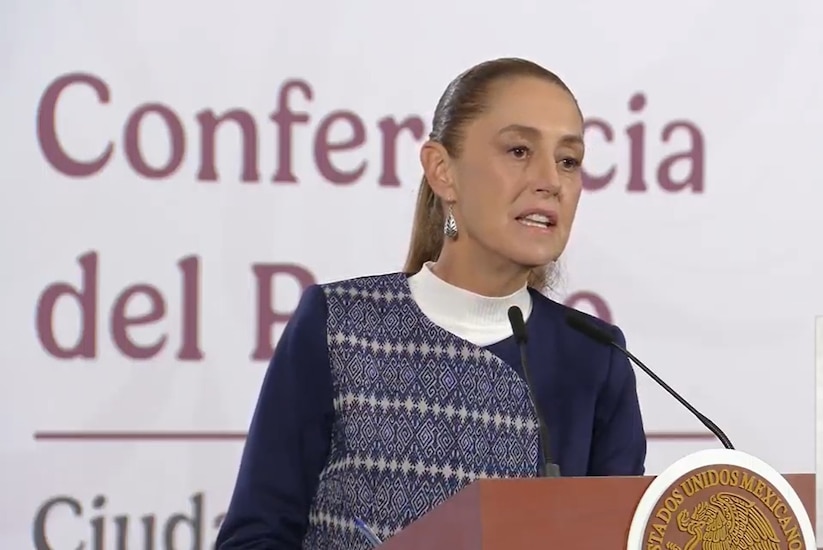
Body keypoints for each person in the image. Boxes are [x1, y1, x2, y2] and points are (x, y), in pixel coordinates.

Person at [214, 57, 647, 549]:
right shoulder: (339, 326)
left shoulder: (594, 358)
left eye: (568, 160)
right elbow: (256, 536)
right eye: (520, 150)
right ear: (443, 172)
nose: (551, 179)